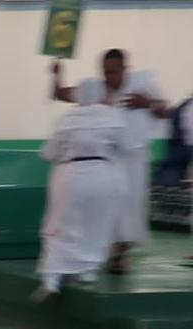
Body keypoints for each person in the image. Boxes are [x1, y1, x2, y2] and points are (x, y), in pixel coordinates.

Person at [52, 49, 167, 273]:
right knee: (107, 204)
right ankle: (104, 252)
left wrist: (148, 103)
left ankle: (119, 255)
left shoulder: (143, 83)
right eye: (105, 72)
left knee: (130, 205)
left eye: (113, 72)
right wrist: (57, 72)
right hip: (107, 158)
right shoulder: (95, 89)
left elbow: (165, 111)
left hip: (134, 156)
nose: (108, 77)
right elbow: (62, 94)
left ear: (125, 69)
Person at [34, 79, 127, 300]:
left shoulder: (66, 119)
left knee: (59, 225)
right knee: (96, 224)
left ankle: (52, 278)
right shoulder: (112, 116)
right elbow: (125, 145)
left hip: (70, 175)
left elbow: (48, 153)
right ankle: (88, 271)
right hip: (102, 175)